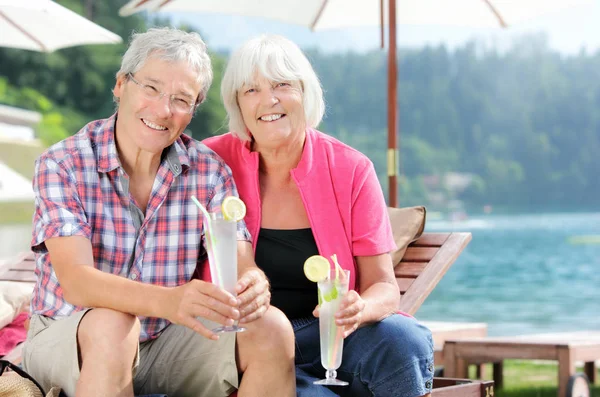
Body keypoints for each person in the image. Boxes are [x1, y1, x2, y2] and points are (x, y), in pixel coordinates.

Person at [23, 28, 295, 397]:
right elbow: (78, 282)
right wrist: (170, 300)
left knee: (272, 329)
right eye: (150, 88)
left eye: (181, 99)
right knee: (113, 324)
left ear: (194, 109)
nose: (163, 109)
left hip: (165, 342)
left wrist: (254, 284)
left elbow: (240, 258)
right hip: (69, 338)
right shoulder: (63, 163)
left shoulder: (209, 172)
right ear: (121, 85)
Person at [204, 34, 435, 397]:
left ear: (305, 92)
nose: (269, 100)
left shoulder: (351, 169)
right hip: (248, 340)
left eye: (282, 84)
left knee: (403, 340)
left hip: (334, 338)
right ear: (238, 104)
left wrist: (361, 307)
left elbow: (385, 287)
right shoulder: (210, 162)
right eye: (251, 90)